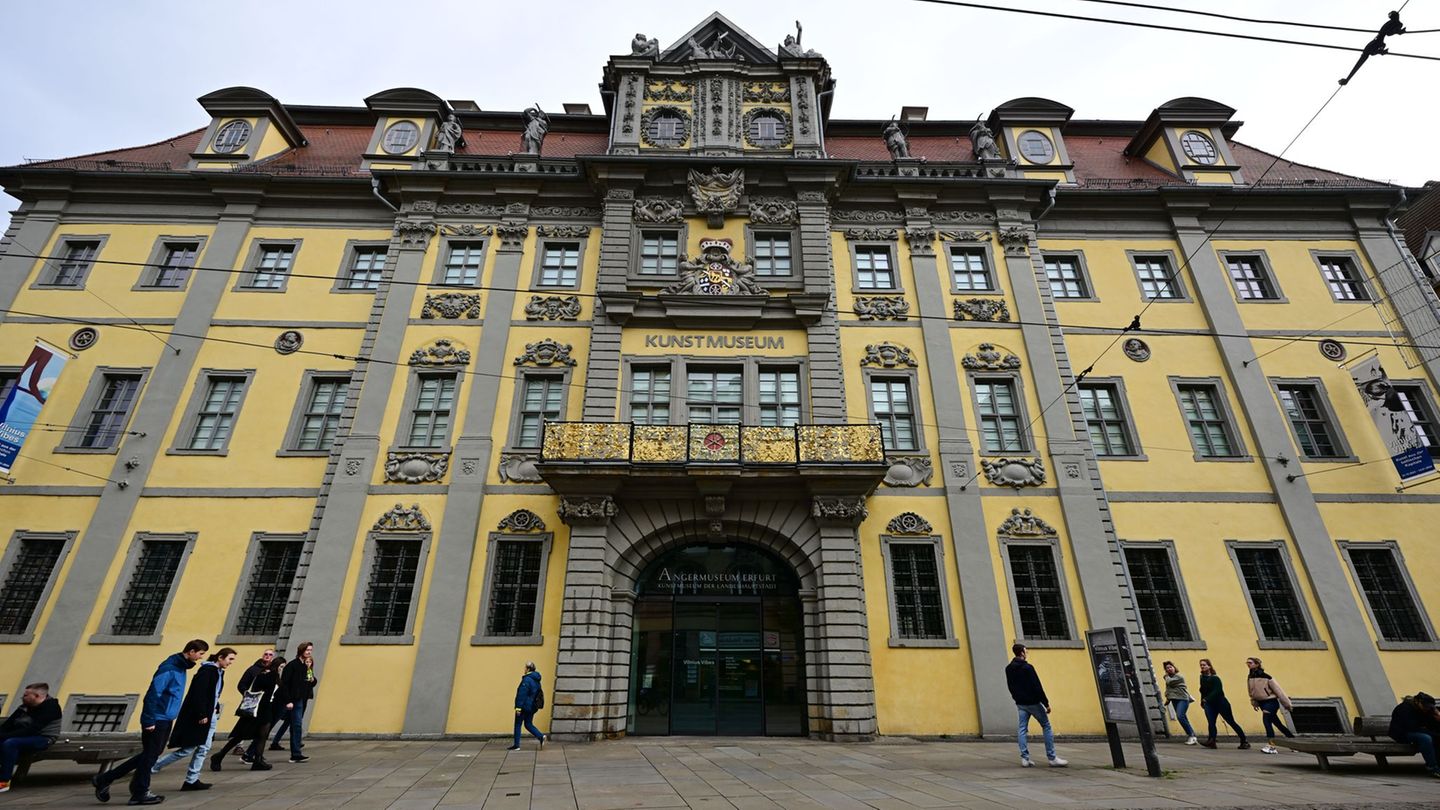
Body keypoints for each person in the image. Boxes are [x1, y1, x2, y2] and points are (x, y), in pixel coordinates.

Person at [92, 639, 209, 805]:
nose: (199, 658)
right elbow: (154, 694)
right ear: (191, 651)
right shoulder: (169, 668)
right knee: (150, 756)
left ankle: (109, 780)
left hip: (165, 718)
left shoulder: (181, 667)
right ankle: (138, 792)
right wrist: (149, 719)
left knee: (150, 755)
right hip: (157, 719)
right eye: (200, 654)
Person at [150, 647, 236, 791]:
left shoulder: (218, 672)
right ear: (220, 657)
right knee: (188, 749)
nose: (231, 662)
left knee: (204, 748)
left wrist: (215, 708)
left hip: (211, 714)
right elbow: (199, 694)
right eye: (230, 659)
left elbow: (213, 694)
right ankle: (154, 766)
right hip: (202, 716)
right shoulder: (207, 671)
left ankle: (192, 779)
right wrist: (202, 714)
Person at [211, 651, 280, 771]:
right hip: (255, 708)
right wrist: (247, 695)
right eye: (281, 666)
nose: (268, 657)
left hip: (266, 709)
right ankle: (219, 755)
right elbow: (243, 685)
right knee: (241, 735)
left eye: (270, 655)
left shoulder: (274, 675)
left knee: (262, 735)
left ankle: (257, 760)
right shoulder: (259, 672)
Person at [1005, 643, 1067, 768]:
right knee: (1046, 726)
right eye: (1025, 651)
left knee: (1022, 729)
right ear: (1022, 653)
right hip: (1033, 702)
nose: (1026, 653)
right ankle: (1052, 757)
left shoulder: (1009, 668)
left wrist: (1016, 698)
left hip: (1020, 703)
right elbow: (1037, 686)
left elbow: (1010, 686)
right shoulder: (1028, 668)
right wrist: (1046, 703)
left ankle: (1025, 758)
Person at [0, 682, 62, 795]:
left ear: (37, 696)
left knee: (10, 743)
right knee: (6, 741)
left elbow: (32, 730)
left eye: (26, 695)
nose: (22, 697)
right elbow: (7, 725)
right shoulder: (24, 707)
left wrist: (4, 736)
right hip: (22, 736)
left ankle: (4, 781)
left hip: (42, 738)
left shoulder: (51, 707)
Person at [271, 641, 318, 763]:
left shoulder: (305, 666)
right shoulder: (292, 665)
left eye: (310, 650)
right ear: (301, 650)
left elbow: (308, 682)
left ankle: (296, 754)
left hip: (299, 700)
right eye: (307, 650)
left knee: (296, 726)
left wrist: (312, 678)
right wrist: (288, 701)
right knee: (269, 724)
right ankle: (250, 753)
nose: (309, 653)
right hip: (288, 700)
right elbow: (284, 684)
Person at [1196, 658, 1249, 749]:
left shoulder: (1215, 678)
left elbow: (1218, 691)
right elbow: (1202, 691)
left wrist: (1207, 699)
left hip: (1221, 703)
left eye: (1204, 665)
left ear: (1209, 666)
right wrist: (1203, 701)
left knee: (1231, 722)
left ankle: (1244, 741)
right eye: (1201, 665)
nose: (1202, 666)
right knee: (1211, 722)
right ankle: (1211, 740)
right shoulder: (1202, 678)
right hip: (1209, 704)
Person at [1245, 657, 1294, 754]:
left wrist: (1287, 705)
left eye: (1250, 663)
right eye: (1247, 663)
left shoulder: (1267, 677)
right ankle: (1293, 741)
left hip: (1271, 702)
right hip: (1262, 703)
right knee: (1278, 724)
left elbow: (1279, 692)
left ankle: (1271, 746)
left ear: (1257, 664)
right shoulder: (1250, 677)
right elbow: (1251, 692)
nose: (1248, 664)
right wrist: (1254, 702)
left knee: (1266, 720)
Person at [1388, 692, 1440, 778]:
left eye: (1429, 707)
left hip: (1416, 731)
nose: (1427, 708)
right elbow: (1411, 727)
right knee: (1425, 738)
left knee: (1435, 737)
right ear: (1417, 702)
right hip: (1402, 734)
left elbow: (1432, 725)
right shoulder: (1404, 708)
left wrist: (1438, 718)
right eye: (1425, 706)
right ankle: (1432, 768)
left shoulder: (1427, 710)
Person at [508, 662, 546, 751]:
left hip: (524, 706)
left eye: (525, 668)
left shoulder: (526, 680)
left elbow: (521, 695)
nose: (524, 669)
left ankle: (516, 745)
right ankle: (541, 736)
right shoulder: (537, 680)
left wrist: (518, 708)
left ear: (528, 669)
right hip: (532, 706)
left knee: (518, 724)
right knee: (528, 724)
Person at [1162, 661, 1198, 745]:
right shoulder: (1169, 677)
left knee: (1180, 716)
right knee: (1183, 718)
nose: (1169, 669)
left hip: (1183, 699)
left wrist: (1166, 676)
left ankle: (1192, 736)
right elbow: (1169, 690)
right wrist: (1168, 699)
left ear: (1174, 667)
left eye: (1171, 667)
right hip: (1175, 699)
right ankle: (1192, 735)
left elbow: (1169, 682)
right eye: (1167, 668)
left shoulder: (1179, 677)